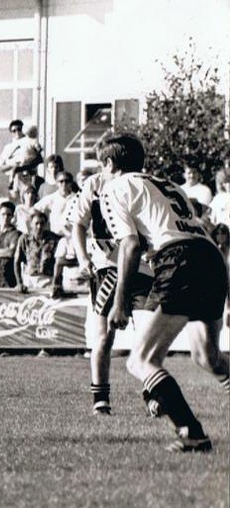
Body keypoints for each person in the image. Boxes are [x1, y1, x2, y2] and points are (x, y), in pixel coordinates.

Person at [98, 133, 230, 451]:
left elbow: (129, 246)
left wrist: (120, 302)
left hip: (179, 258)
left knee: (140, 360)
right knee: (207, 357)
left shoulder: (114, 188)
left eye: (100, 165)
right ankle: (173, 411)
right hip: (211, 257)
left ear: (110, 163)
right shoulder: (167, 184)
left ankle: (191, 432)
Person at [67, 165, 154, 415]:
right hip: (107, 266)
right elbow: (78, 224)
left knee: (147, 333)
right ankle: (101, 400)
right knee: (104, 334)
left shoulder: (141, 183)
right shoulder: (94, 184)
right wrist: (83, 258)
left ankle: (152, 392)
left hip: (142, 265)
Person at [13, 210, 58, 292]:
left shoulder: (54, 239)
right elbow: (17, 261)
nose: (39, 226)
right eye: (36, 223)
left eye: (42, 223)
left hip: (47, 279)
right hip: (29, 279)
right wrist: (19, 282)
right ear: (31, 224)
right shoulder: (24, 239)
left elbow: (58, 262)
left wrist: (56, 282)